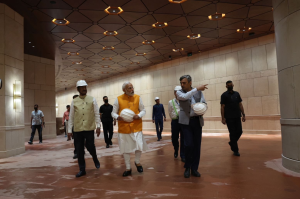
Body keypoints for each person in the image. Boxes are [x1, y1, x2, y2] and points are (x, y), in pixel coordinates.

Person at [111, 81, 148, 177]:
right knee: (125, 148)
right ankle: (128, 168)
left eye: (132, 87)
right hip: (124, 128)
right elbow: (113, 112)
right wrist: (117, 117)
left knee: (139, 145)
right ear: (124, 90)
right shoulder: (118, 99)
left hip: (136, 126)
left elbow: (143, 110)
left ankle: (137, 162)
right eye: (129, 88)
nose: (132, 89)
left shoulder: (138, 98)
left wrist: (139, 115)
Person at [176, 75, 208, 178]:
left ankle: (194, 168)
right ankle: (187, 167)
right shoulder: (179, 92)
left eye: (184, 83)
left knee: (197, 145)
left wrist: (203, 109)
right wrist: (197, 88)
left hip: (197, 121)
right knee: (188, 145)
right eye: (181, 83)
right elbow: (185, 97)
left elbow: (204, 102)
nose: (182, 85)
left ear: (190, 82)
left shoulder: (199, 92)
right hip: (186, 122)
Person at [68, 80, 101, 177]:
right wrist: (69, 130)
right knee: (79, 149)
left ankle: (94, 157)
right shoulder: (74, 101)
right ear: (78, 89)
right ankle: (82, 169)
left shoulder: (92, 99)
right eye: (82, 87)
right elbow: (71, 117)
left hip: (89, 128)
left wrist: (98, 126)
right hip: (78, 129)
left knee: (90, 146)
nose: (84, 89)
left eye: (85, 87)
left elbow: (96, 113)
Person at [221, 80, 246, 157]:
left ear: (233, 85)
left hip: (237, 116)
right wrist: (223, 118)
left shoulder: (237, 94)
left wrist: (243, 114)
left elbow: (240, 104)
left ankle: (232, 142)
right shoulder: (224, 95)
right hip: (229, 117)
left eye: (230, 85)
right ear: (226, 86)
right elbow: (222, 107)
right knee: (232, 133)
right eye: (228, 85)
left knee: (239, 131)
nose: (229, 86)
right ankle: (235, 150)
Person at [168, 86, 185, 162]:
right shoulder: (170, 102)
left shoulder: (184, 101)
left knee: (183, 138)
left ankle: (182, 154)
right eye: (176, 92)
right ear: (174, 93)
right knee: (174, 138)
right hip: (175, 121)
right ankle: (176, 149)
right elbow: (169, 112)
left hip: (183, 121)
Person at [72, 95, 79, 159]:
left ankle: (82, 150)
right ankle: (76, 152)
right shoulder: (72, 108)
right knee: (76, 140)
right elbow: (71, 118)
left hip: (83, 126)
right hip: (75, 126)